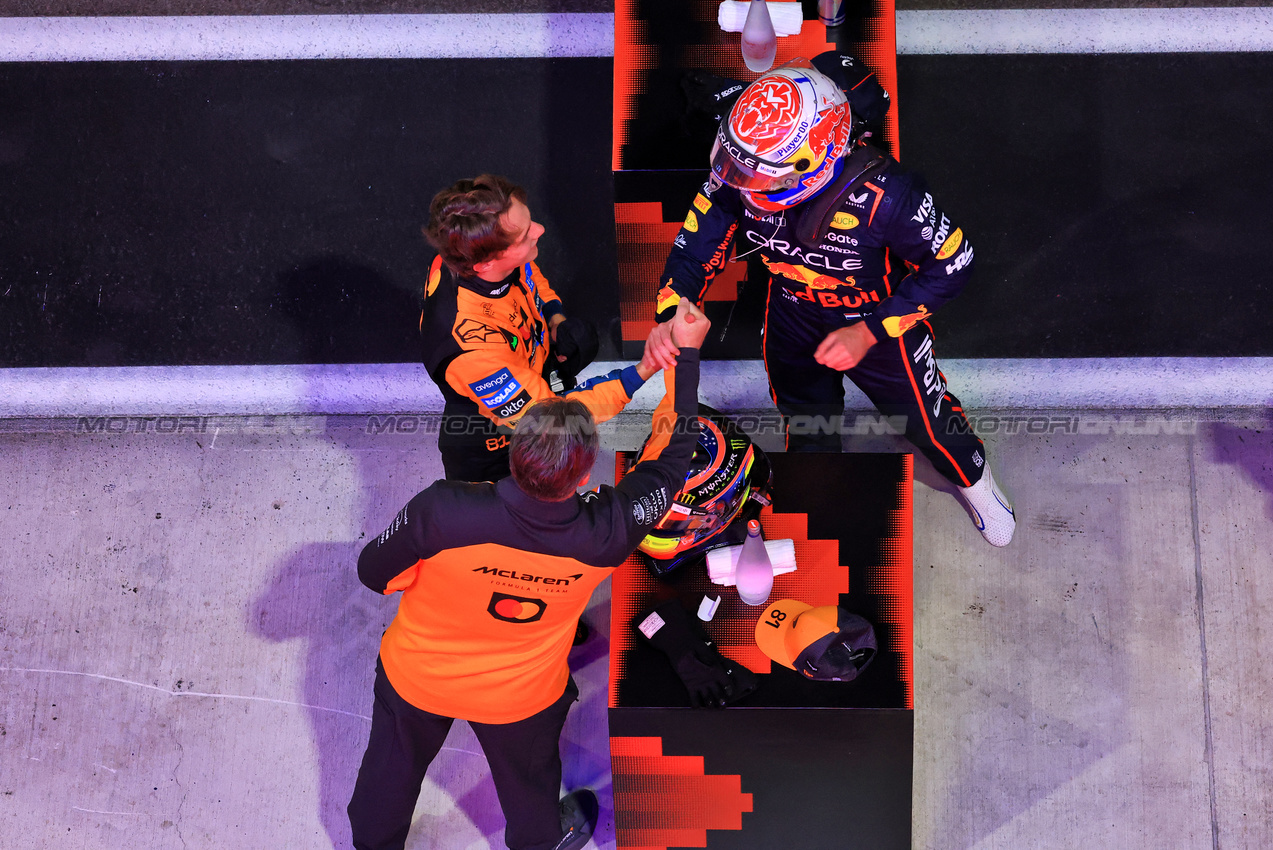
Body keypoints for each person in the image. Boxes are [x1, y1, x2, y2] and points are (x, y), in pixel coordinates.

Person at [348, 299, 711, 850]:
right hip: (520, 699)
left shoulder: (442, 511)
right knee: (530, 785)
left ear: (515, 450)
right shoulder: (608, 532)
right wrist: (682, 358)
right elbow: (674, 457)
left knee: (389, 773)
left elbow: (374, 574)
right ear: (587, 470)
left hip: (417, 678)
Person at [645, 55, 1016, 547]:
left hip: (876, 318)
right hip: (793, 312)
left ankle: (974, 478)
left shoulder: (890, 194)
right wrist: (672, 311)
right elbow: (694, 246)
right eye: (736, 167)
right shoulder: (746, 165)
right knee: (804, 417)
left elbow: (954, 262)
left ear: (815, 161)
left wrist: (869, 332)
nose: (743, 185)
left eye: (764, 178)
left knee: (928, 420)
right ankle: (818, 486)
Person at [421, 174, 657, 483]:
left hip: (532, 376)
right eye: (524, 236)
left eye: (530, 222)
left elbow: (532, 280)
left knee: (580, 337)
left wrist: (555, 319)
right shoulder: (472, 351)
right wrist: (643, 370)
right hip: (497, 443)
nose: (540, 230)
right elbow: (554, 419)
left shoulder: (477, 251)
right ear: (485, 264)